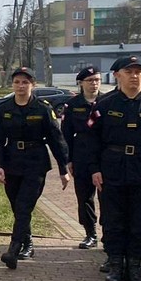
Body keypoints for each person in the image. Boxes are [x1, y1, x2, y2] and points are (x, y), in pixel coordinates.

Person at [82, 55, 141, 281]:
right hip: (112, 170)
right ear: (117, 75)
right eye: (128, 72)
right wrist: (94, 169)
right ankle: (115, 264)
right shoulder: (105, 105)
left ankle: (134, 265)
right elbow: (91, 140)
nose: (134, 76)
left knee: (139, 221)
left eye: (138, 72)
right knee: (113, 220)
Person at [0, 67, 70, 270]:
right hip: (11, 163)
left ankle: (13, 250)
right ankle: (28, 242)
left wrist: (63, 169)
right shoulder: (4, 109)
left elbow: (56, 139)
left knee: (24, 206)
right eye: (17, 82)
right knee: (17, 206)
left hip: (35, 163)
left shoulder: (42, 109)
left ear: (33, 85)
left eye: (25, 82)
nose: (20, 86)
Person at [61, 66, 102, 250]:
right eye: (90, 80)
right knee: (84, 197)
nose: (94, 84)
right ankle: (90, 233)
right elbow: (66, 134)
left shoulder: (108, 101)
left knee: (108, 197)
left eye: (97, 80)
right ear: (81, 83)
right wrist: (68, 160)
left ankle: (109, 233)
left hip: (104, 156)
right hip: (81, 155)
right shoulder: (72, 105)